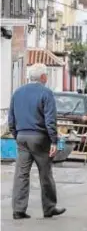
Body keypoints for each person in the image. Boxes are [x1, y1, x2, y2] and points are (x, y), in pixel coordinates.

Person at [8, 63, 66, 220]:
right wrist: (54, 140)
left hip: (22, 136)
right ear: (43, 77)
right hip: (40, 137)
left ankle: (18, 209)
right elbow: (50, 119)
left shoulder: (17, 93)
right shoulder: (46, 93)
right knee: (45, 173)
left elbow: (11, 119)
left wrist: (17, 134)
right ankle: (49, 207)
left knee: (21, 174)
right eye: (46, 75)